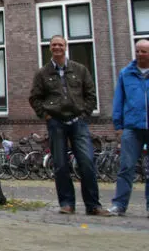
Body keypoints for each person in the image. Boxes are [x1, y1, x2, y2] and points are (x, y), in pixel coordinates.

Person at [29, 35, 109, 216]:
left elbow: (90, 94)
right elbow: (35, 98)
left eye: (60, 45)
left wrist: (84, 114)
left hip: (77, 121)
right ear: (50, 48)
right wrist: (47, 115)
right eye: (54, 45)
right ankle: (67, 203)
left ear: (66, 47)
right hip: (56, 122)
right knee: (60, 164)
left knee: (87, 161)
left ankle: (93, 205)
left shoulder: (80, 70)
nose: (57, 47)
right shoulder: (42, 73)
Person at [108, 39, 149, 217]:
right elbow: (119, 100)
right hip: (131, 128)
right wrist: (118, 126)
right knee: (126, 167)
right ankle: (119, 205)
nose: (140, 55)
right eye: (138, 51)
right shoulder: (126, 73)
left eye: (144, 52)